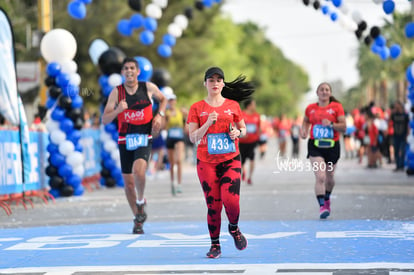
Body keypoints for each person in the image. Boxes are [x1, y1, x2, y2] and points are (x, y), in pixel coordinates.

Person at [187, 66, 254, 258]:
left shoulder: (233, 105)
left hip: (230, 159)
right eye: (211, 80)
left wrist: (237, 133)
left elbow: (244, 129)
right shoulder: (197, 108)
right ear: (205, 83)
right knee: (213, 205)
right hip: (206, 162)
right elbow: (192, 137)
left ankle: (233, 228)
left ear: (223, 83)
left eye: (218, 80)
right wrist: (207, 123)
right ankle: (215, 244)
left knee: (231, 201)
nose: (215, 83)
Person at [102, 57, 167, 234]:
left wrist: (159, 115)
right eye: (126, 68)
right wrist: (117, 110)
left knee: (139, 171)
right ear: (122, 73)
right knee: (128, 184)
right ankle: (137, 218)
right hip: (125, 139)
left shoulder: (148, 87)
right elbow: (105, 119)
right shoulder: (117, 93)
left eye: (132, 68)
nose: (129, 71)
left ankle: (140, 200)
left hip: (144, 136)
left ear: (138, 72)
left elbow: (163, 99)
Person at [300, 82, 346, 219]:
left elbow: (344, 127)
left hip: (332, 146)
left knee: (330, 177)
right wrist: (304, 131)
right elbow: (306, 121)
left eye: (327, 90)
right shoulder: (310, 108)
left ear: (330, 93)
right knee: (320, 176)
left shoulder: (337, 107)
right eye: (322, 89)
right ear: (317, 92)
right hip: (315, 146)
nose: (324, 92)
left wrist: (331, 124)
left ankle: (327, 198)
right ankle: (322, 206)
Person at [165, 93, 186, 195]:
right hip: (170, 137)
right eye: (170, 100)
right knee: (172, 162)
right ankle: (172, 182)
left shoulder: (180, 112)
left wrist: (186, 116)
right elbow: (163, 127)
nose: (172, 102)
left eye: (173, 100)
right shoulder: (166, 113)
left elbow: (186, 125)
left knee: (179, 160)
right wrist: (167, 118)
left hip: (179, 137)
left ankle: (179, 184)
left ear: (175, 101)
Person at [239, 99, 261, 185]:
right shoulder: (241, 114)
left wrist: (258, 136)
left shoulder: (257, 116)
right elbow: (237, 126)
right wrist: (242, 133)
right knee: (242, 160)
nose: (255, 106)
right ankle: (243, 172)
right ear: (248, 106)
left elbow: (258, 128)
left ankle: (250, 177)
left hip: (253, 141)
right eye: (253, 105)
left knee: (252, 158)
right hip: (242, 141)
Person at [390, 101, 409, 172]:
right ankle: (398, 165)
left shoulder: (405, 115)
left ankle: (402, 165)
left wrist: (407, 134)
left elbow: (408, 125)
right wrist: (392, 111)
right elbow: (389, 120)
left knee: (402, 150)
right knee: (396, 150)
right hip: (396, 135)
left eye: (397, 105)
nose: (396, 107)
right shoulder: (394, 115)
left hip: (403, 135)